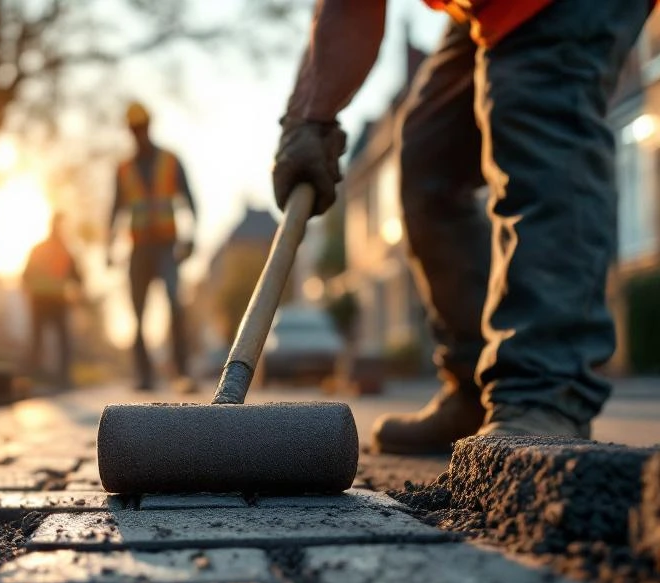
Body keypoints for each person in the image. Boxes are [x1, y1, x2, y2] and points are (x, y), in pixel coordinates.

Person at [274, 0, 650, 454]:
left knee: (539, 111)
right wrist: (306, 121)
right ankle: (475, 389)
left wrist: (311, 118)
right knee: (427, 161)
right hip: (486, 9)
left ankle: (547, 393)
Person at [107, 101, 198, 392]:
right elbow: (114, 209)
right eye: (135, 129)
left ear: (149, 126)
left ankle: (182, 372)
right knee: (137, 313)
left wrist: (191, 237)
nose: (139, 133)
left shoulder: (170, 160)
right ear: (130, 131)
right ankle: (144, 376)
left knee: (175, 305)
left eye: (142, 127)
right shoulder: (124, 169)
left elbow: (190, 201)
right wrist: (108, 246)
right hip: (139, 248)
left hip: (166, 246)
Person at [22, 213, 82, 387]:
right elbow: (77, 277)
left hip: (44, 300)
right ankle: (61, 378)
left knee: (39, 340)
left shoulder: (40, 249)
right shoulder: (64, 251)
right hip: (53, 300)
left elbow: (25, 275)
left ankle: (36, 376)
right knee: (60, 340)